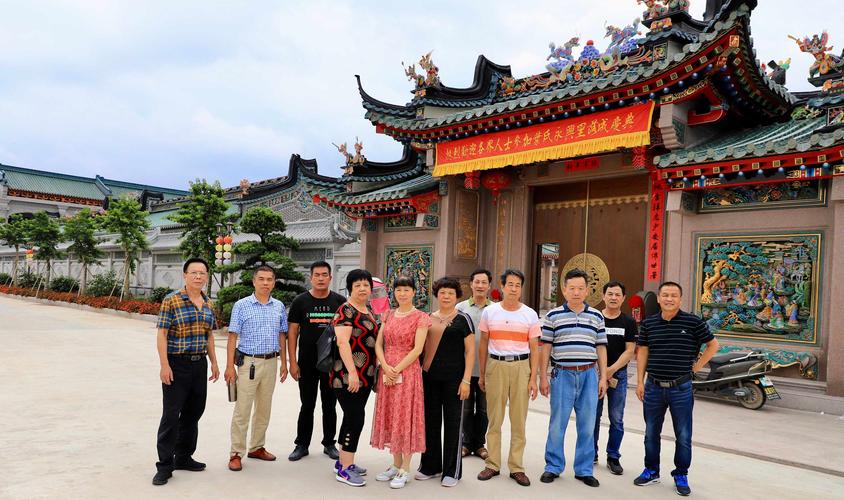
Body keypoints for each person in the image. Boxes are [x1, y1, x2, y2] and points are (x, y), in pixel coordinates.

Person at [634, 281, 720, 497]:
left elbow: (713, 344)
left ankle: (681, 474)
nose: (669, 299)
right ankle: (651, 471)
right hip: (653, 386)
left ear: (680, 299)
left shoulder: (692, 322)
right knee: (651, 432)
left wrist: (698, 366)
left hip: (680, 388)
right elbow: (642, 351)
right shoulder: (649, 323)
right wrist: (640, 381)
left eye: (674, 295)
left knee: (683, 434)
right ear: (659, 298)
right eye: (665, 295)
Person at [152, 258, 220, 486]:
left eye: (202, 273)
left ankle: (183, 457)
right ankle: (164, 465)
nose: (198, 276)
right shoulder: (171, 300)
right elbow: (162, 334)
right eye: (194, 272)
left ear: (207, 276)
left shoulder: (209, 303)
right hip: (176, 364)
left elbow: (209, 335)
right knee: (171, 416)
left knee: (193, 413)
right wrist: (164, 365)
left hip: (199, 364)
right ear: (185, 275)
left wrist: (214, 362)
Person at [539, 269, 608, 488]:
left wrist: (603, 377)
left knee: (587, 425)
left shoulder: (597, 316)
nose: (576, 292)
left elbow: (601, 349)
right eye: (572, 288)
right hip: (562, 374)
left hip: (589, 374)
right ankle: (553, 466)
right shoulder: (553, 316)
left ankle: (584, 469)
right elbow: (546, 347)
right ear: (564, 290)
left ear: (587, 290)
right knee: (557, 423)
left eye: (581, 288)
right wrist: (543, 376)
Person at [477, 269, 540, 487]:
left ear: (521, 288)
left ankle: (517, 467)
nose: (514, 288)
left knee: (518, 420)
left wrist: (534, 378)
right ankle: (492, 464)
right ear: (502, 287)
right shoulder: (490, 312)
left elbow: (535, 347)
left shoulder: (530, 314)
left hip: (522, 367)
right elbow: (483, 343)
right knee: (495, 418)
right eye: (510, 284)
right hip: (496, 365)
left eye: (517, 285)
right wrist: (483, 372)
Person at [224, 265, 289, 471]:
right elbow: (232, 336)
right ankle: (236, 453)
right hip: (248, 363)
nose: (265, 283)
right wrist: (229, 367)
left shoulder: (278, 306)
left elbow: (282, 335)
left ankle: (257, 447)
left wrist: (284, 363)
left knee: (264, 408)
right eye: (261, 279)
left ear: (274, 282)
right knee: (242, 409)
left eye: (269, 279)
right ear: (254, 281)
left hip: (271, 361)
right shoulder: (242, 305)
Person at [371, 275, 431, 489]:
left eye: (407, 290)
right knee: (391, 415)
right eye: (398, 290)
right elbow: (379, 344)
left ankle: (406, 468)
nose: (402, 294)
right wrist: (386, 367)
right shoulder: (387, 315)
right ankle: (395, 464)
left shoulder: (421, 317)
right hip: (388, 371)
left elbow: (418, 349)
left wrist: (396, 369)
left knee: (405, 416)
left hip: (408, 372)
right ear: (393, 292)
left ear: (414, 292)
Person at [418, 276, 475, 487]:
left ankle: (452, 471)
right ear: (437, 294)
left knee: (453, 424)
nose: (446, 296)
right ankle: (430, 466)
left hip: (455, 381)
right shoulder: (426, 318)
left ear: (456, 295)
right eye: (442, 292)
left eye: (450, 292)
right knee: (430, 423)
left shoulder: (463, 319)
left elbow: (470, 352)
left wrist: (466, 380)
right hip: (429, 379)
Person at [287, 261, 346, 461]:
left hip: (332, 363)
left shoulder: (340, 301)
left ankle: (329, 443)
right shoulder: (300, 302)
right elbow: (293, 332)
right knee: (307, 404)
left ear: (330, 277)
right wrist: (292, 362)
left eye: (324, 274)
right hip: (306, 363)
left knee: (330, 404)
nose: (320, 278)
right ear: (310, 278)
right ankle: (301, 444)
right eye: (317, 275)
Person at [331, 269, 379, 487]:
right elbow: (342, 343)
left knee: (352, 416)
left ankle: (344, 462)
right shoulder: (346, 310)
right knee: (355, 418)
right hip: (347, 375)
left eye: (366, 285)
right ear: (350, 287)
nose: (362, 288)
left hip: (365, 375)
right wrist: (352, 373)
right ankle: (344, 469)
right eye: (357, 284)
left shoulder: (367, 309)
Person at [593, 281, 637, 475]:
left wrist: (610, 370)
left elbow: (630, 351)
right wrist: (601, 371)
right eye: (610, 294)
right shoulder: (594, 318)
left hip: (617, 375)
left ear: (623, 298)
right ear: (603, 296)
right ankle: (590, 453)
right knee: (592, 417)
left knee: (616, 419)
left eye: (617, 295)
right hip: (593, 374)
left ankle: (613, 457)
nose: (613, 297)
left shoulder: (628, 322)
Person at [455, 269, 492, 460]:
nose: (480, 286)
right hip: (466, 369)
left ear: (489, 286)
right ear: (470, 284)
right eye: (476, 282)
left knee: (485, 410)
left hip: (488, 369)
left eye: (484, 282)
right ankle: (466, 443)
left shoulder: (495, 309)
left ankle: (479, 444)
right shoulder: (460, 308)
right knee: (466, 409)